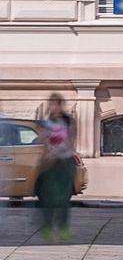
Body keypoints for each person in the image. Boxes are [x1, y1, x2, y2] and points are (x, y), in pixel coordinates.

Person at [34, 93, 77, 242]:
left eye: (57, 104)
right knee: (47, 198)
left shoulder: (68, 121)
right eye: (52, 104)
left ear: (61, 105)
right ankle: (47, 227)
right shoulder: (46, 123)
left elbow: (71, 140)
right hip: (49, 163)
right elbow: (41, 141)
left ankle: (63, 227)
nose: (54, 107)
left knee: (64, 198)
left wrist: (69, 154)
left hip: (65, 161)